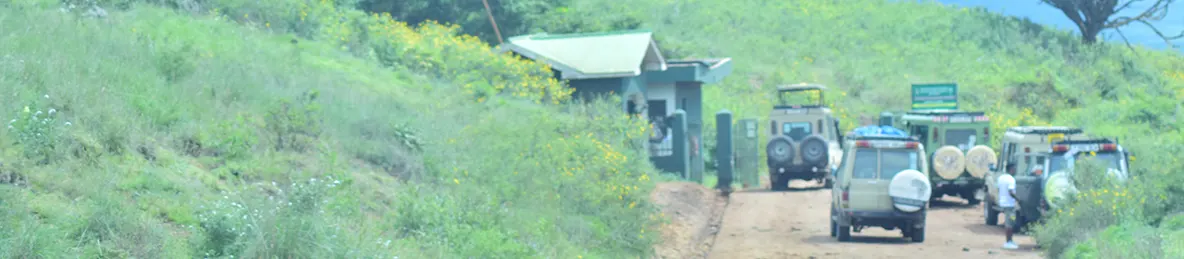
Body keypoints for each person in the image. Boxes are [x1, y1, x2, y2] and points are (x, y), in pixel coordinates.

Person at [997, 162, 1022, 250]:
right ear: (1011, 169)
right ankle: (1008, 242)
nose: (1015, 170)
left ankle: (1010, 241)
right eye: (1014, 169)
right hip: (1009, 205)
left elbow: (999, 189)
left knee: (1010, 222)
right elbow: (1011, 192)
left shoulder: (1001, 178)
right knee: (1010, 223)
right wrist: (1018, 199)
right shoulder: (1011, 179)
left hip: (1003, 203)